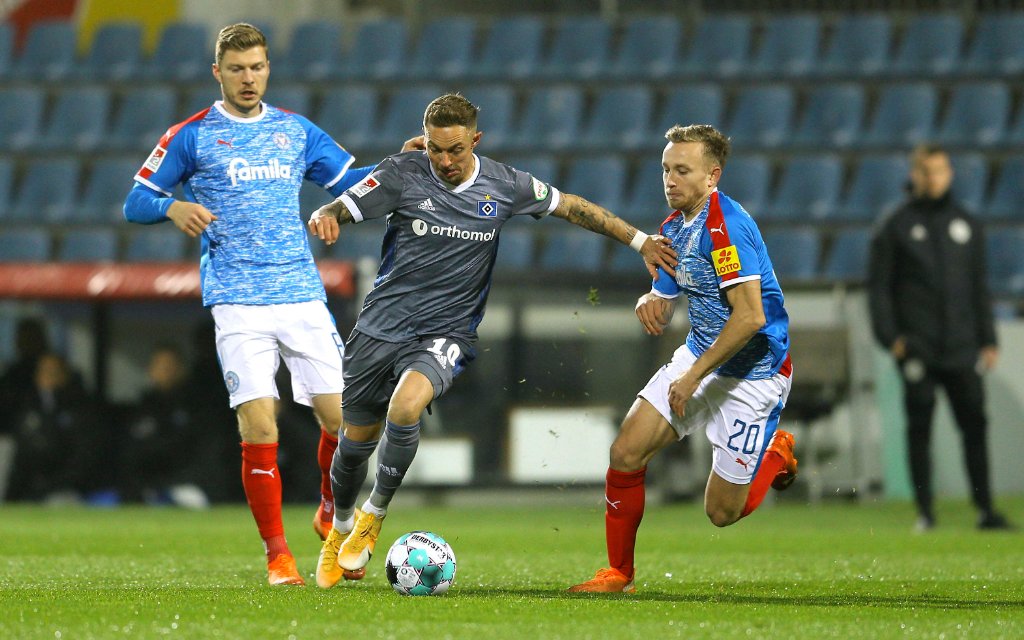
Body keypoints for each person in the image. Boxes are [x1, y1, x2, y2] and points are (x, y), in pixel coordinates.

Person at [306, 93, 678, 589]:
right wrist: (326, 214)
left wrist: (639, 241)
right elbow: (346, 202)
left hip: (445, 330)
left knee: (406, 406)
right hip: (380, 328)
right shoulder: (402, 172)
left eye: (455, 150)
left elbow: (572, 207)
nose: (444, 161)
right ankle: (343, 525)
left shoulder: (505, 185)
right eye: (436, 150)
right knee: (353, 448)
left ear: (475, 140)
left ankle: (374, 515)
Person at [122, 23, 418, 586]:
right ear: (218, 73)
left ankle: (331, 510)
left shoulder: (295, 132)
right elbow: (136, 198)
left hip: (302, 296)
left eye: (256, 67)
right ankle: (278, 556)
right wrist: (171, 208)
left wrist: (397, 167)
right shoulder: (192, 135)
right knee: (260, 430)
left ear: (267, 69)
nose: (248, 78)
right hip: (237, 302)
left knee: (349, 422)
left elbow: (351, 180)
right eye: (236, 69)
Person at [568, 124, 798, 593]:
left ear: (712, 176)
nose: (670, 180)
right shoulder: (675, 227)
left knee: (721, 513)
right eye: (666, 169)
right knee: (625, 453)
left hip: (753, 375)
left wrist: (694, 375)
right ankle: (619, 574)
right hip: (698, 358)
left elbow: (750, 316)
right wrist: (650, 300)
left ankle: (777, 454)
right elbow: (665, 290)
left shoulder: (725, 227)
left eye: (682, 170)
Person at [868, 144, 1010, 532]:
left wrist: (989, 338)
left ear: (949, 174)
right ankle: (925, 513)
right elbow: (879, 288)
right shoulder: (895, 225)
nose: (934, 178)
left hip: (963, 345)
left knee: (975, 427)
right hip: (918, 346)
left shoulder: (967, 224)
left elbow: (978, 287)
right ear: (914, 174)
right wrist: (890, 337)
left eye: (941, 170)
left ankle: (985, 509)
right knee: (920, 429)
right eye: (926, 171)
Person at [6, 353, 106, 502]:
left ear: (65, 376)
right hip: (30, 490)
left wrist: (48, 487)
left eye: (54, 372)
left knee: (59, 502)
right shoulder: (28, 410)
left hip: (68, 490)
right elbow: (20, 459)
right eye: (44, 371)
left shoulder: (81, 410)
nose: (49, 377)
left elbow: (82, 461)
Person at [120, 343, 210, 508]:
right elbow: (130, 454)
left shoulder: (196, 407)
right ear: (150, 370)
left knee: (193, 498)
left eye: (169, 366)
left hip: (185, 484)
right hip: (146, 486)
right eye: (159, 366)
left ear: (181, 369)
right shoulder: (143, 408)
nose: (165, 371)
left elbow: (202, 454)